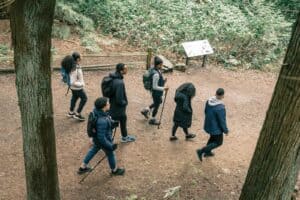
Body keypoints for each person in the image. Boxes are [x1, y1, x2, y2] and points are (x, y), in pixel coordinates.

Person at [78, 97, 125, 176]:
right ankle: (114, 170)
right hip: (103, 141)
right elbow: (101, 137)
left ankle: (82, 167)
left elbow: (103, 124)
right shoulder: (102, 121)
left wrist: (112, 123)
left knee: (93, 150)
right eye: (107, 104)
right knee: (110, 153)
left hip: (96, 139)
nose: (109, 104)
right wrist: (110, 146)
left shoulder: (97, 112)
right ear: (104, 106)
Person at [196, 88, 229, 161]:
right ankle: (201, 151)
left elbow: (205, 111)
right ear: (222, 96)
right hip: (216, 128)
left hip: (208, 124)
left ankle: (208, 152)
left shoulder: (209, 101)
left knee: (212, 138)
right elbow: (222, 121)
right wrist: (225, 130)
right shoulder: (220, 107)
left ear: (216, 93)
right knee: (218, 142)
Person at [109, 63, 136, 143]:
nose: (127, 70)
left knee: (123, 119)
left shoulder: (114, 78)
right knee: (113, 124)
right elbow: (119, 98)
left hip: (114, 104)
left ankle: (124, 137)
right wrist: (124, 103)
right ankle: (103, 139)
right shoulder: (119, 82)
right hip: (118, 107)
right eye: (125, 69)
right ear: (121, 71)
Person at [141, 56, 169, 125]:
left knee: (159, 101)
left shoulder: (154, 69)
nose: (162, 66)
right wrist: (164, 88)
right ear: (158, 65)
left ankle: (146, 110)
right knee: (157, 106)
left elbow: (157, 82)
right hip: (156, 93)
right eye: (161, 64)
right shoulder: (156, 74)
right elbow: (154, 87)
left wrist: (163, 81)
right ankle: (152, 120)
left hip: (156, 92)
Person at [67, 52, 87, 121]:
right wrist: (81, 84)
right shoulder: (75, 68)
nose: (82, 57)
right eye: (81, 56)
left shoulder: (75, 65)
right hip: (77, 88)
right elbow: (72, 81)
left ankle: (71, 112)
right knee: (84, 98)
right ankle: (78, 114)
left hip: (73, 88)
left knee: (74, 98)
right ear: (78, 59)